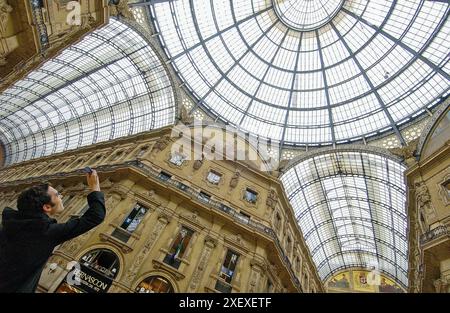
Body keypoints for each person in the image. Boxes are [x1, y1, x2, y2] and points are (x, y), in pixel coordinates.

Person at [0, 169, 105, 293]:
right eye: (57, 194)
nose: (61, 196)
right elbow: (95, 216)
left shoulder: (8, 225)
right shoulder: (46, 232)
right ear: (47, 207)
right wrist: (95, 187)